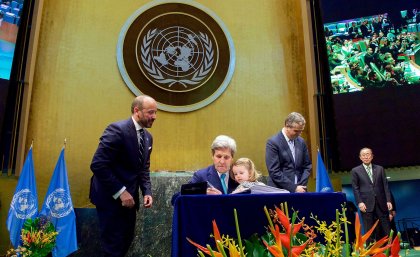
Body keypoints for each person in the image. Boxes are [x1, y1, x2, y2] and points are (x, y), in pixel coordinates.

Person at [89, 95, 157, 257]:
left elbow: (143, 168)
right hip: (110, 199)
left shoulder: (148, 137)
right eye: (150, 112)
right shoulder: (117, 130)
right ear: (137, 111)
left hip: (130, 203)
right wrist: (121, 192)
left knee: (125, 242)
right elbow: (98, 164)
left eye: (156, 112)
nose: (154, 117)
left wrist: (146, 191)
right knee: (113, 247)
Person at [351, 147, 392, 243]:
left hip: (381, 203)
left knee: (386, 227)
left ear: (372, 156)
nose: (366, 156)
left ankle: (388, 250)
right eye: (363, 155)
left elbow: (385, 186)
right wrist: (360, 202)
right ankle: (370, 252)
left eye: (368, 154)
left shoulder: (380, 169)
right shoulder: (355, 171)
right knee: (369, 229)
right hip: (366, 204)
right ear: (360, 157)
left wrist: (388, 200)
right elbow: (355, 188)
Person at [265, 112, 312, 193]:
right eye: (296, 131)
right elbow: (274, 171)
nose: (299, 134)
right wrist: (294, 188)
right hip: (279, 191)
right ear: (287, 126)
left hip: (300, 190)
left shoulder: (301, 141)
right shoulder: (273, 142)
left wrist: (300, 186)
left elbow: (307, 166)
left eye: (301, 131)